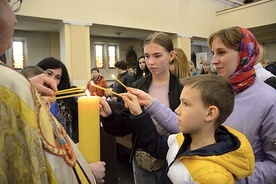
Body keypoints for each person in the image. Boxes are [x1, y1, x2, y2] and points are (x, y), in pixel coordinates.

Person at [0, 0, 101, 183]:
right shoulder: (11, 84)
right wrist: (88, 171)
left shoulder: (21, 86)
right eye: (9, 3)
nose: (15, 19)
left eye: (58, 77)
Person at [120, 74, 255, 183]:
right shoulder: (181, 138)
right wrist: (138, 113)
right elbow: (154, 145)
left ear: (210, 113)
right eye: (180, 102)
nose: (177, 110)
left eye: (185, 104)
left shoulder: (213, 177)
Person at [100, 32, 183, 184]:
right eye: (147, 56)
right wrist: (109, 115)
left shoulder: (182, 88)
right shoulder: (139, 86)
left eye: (157, 56)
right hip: (142, 158)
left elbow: (184, 127)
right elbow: (125, 126)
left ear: (171, 56)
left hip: (173, 158)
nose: (150, 62)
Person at [208, 26, 276, 183]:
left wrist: (234, 179)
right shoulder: (215, 91)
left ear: (244, 54)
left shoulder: (269, 100)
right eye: (213, 53)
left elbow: (273, 165)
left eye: (221, 52)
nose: (213, 60)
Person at [37, 57, 79, 142]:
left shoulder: (63, 102)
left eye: (57, 77)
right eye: (49, 73)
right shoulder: (29, 96)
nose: (52, 80)